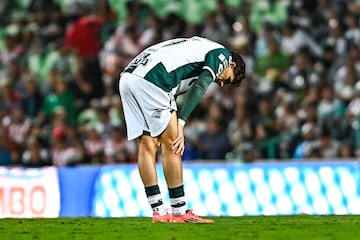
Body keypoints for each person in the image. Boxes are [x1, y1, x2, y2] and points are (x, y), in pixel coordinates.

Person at [118, 36, 245, 223]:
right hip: (155, 79)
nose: (222, 84)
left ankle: (159, 212)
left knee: (146, 145)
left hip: (129, 77)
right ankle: (179, 212)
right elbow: (201, 85)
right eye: (228, 80)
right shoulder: (223, 55)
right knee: (173, 145)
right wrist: (181, 123)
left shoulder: (200, 45)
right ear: (232, 65)